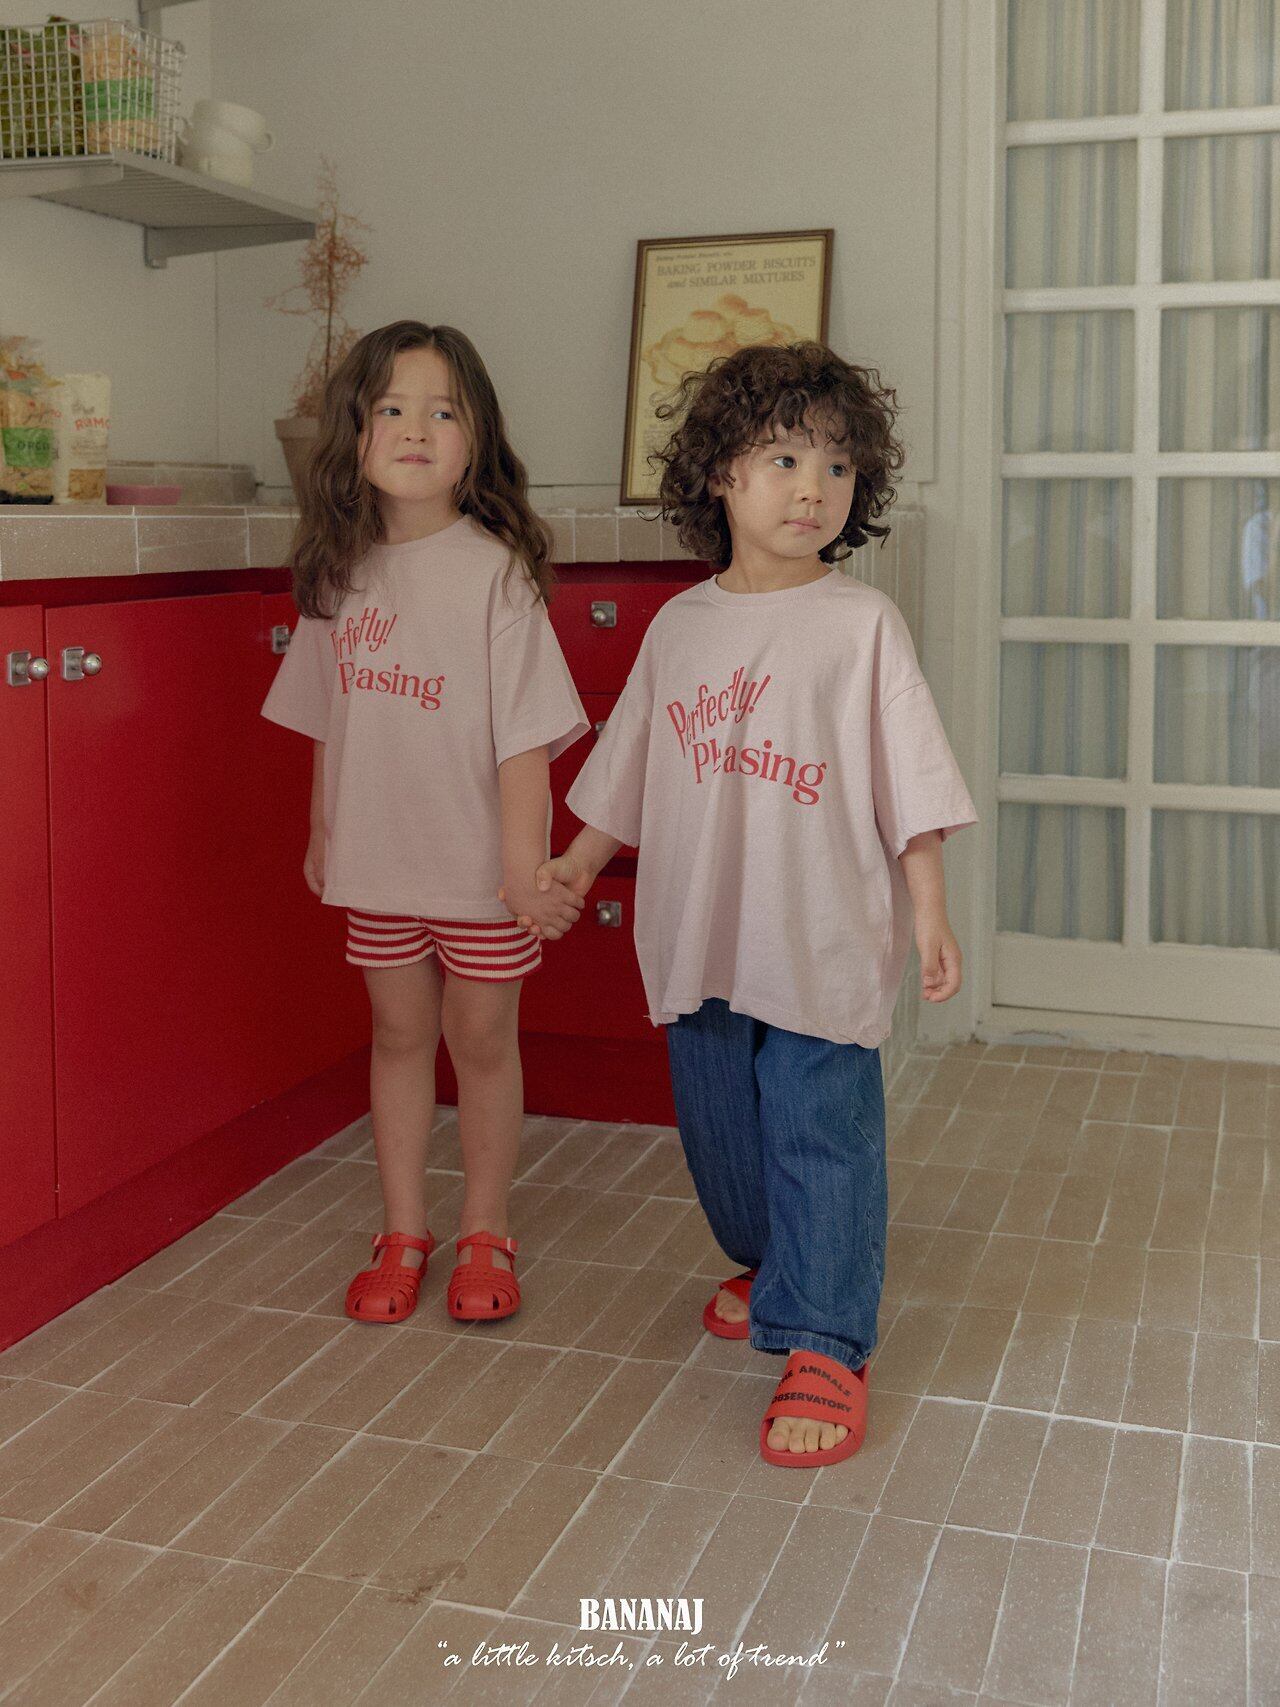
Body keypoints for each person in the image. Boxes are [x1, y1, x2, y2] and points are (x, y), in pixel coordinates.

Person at [515, 342, 976, 1467]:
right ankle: (780, 1266)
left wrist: (928, 912)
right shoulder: (680, 628)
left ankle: (825, 1336)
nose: (813, 487)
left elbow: (911, 787)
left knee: (818, 1132)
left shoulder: (861, 627)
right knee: (724, 1143)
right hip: (703, 936)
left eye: (836, 466)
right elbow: (629, 768)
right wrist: (576, 863)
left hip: (820, 939)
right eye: (783, 459)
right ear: (720, 473)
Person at [262, 320, 587, 1326]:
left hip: (478, 871)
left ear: (475, 435)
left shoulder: (497, 573)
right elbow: (327, 720)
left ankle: (486, 1225)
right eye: (391, 409)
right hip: (379, 862)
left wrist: (522, 868)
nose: (414, 429)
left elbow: (525, 740)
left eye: (441, 411)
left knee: (480, 1040)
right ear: (353, 434)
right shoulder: (338, 574)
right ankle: (403, 1228)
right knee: (398, 1035)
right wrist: (323, 831)